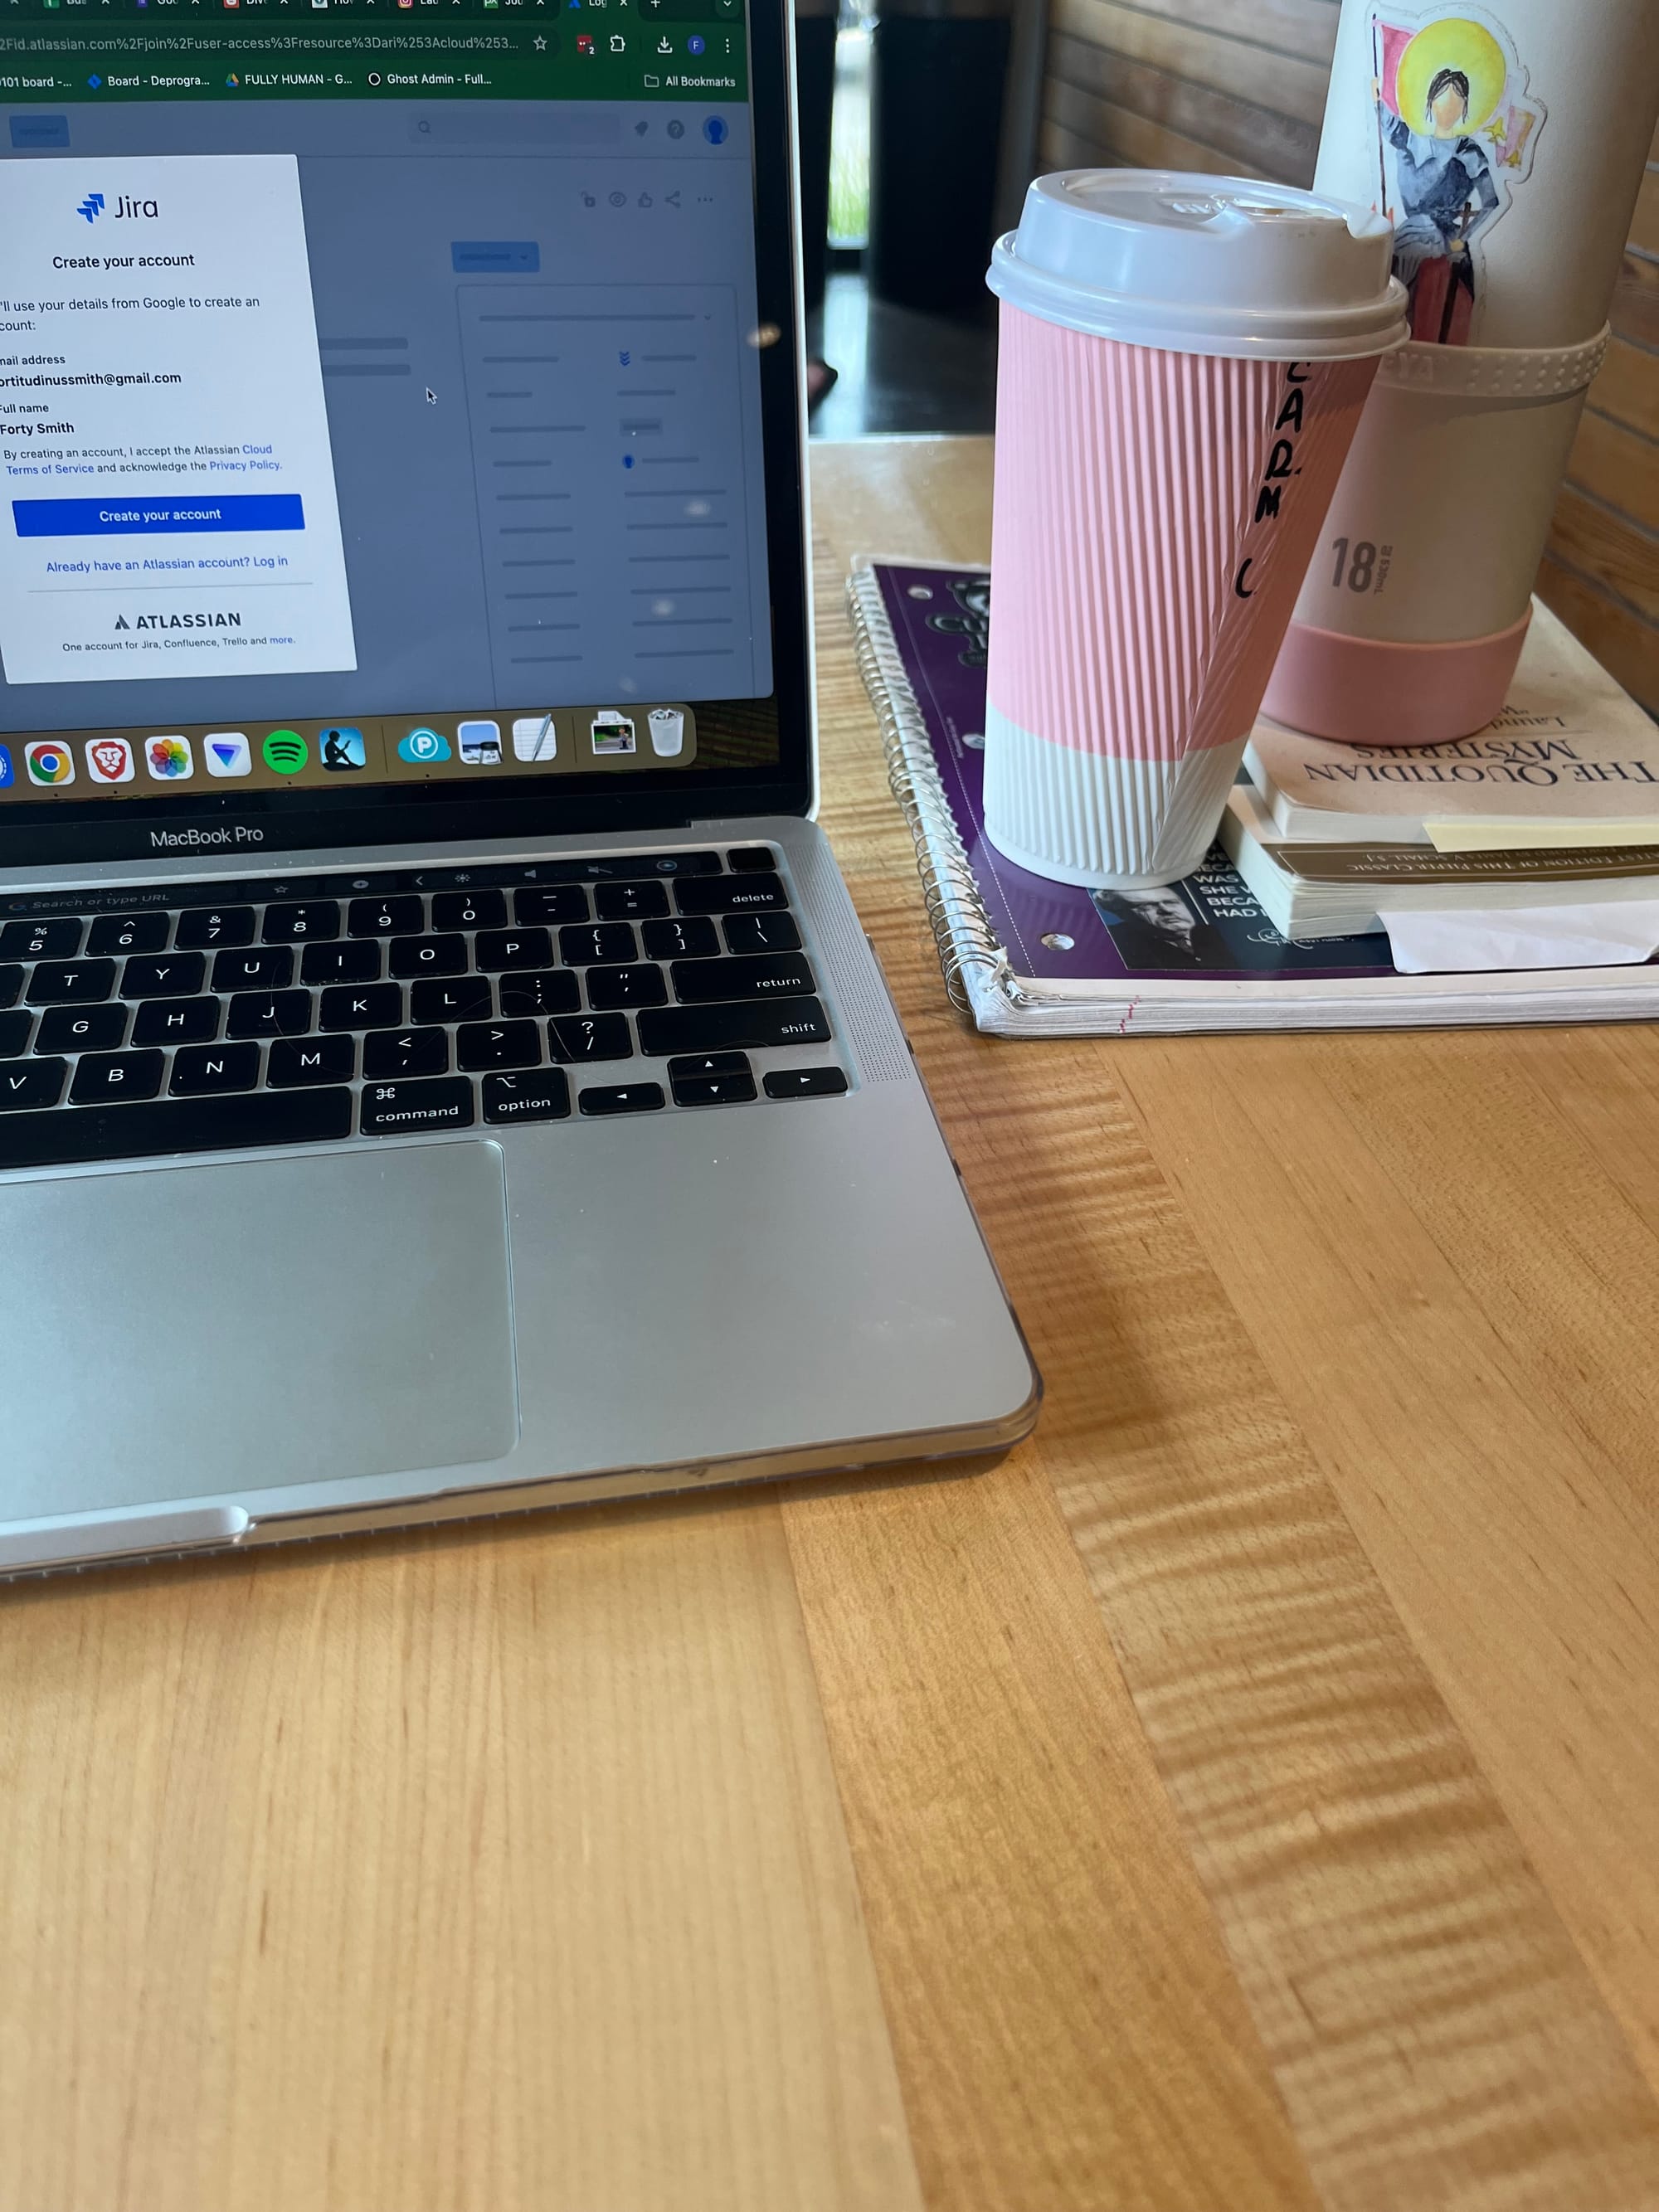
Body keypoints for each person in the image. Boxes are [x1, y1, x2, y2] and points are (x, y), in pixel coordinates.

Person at [1376, 64, 1501, 340]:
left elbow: (1491, 200)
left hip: (1450, 239)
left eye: (1457, 101)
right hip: (1410, 234)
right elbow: (1386, 121)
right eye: (1443, 99)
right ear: (1431, 101)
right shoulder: (1411, 138)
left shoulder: (1468, 150)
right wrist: (1377, 93)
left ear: (1465, 106)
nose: (1449, 107)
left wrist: (1464, 236)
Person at [1091, 884, 1233, 972]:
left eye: (1171, 902)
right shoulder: (1114, 941)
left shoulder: (1215, 934)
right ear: (1122, 914)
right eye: (1146, 906)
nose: (1167, 910)